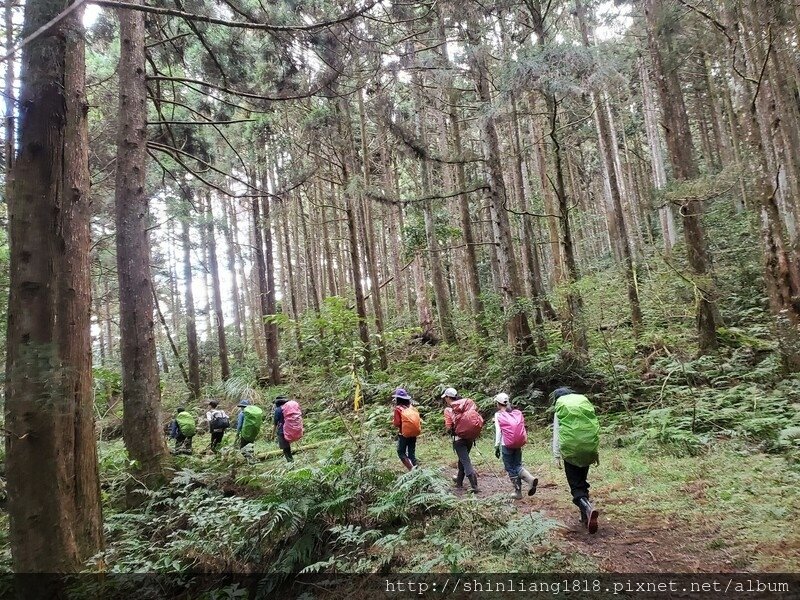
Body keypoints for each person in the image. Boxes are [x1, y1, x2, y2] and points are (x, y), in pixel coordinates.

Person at [552, 387, 600, 534]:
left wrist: (556, 455)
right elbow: (593, 427)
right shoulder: (582, 405)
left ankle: (587, 507)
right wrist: (595, 453)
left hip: (570, 451)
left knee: (575, 486)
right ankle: (585, 518)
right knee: (582, 481)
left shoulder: (560, 409)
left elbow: (557, 433)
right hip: (587, 449)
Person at [493, 393, 537, 499]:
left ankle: (518, 492)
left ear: (498, 404)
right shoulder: (515, 413)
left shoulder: (498, 415)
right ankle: (530, 479)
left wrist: (496, 446)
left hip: (506, 445)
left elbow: (499, 432)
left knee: (510, 468)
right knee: (517, 465)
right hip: (517, 444)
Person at [442, 387, 480, 493]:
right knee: (462, 460)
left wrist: (449, 431)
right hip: (469, 439)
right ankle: (459, 482)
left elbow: (449, 427)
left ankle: (474, 485)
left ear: (449, 397)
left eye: (446, 397)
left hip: (458, 439)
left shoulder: (449, 410)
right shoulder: (465, 407)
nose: (445, 399)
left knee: (465, 461)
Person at [391, 388, 419, 470]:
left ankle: (412, 471)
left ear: (398, 399)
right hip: (413, 433)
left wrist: (393, 422)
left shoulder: (398, 409)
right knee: (411, 453)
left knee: (401, 452)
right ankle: (417, 470)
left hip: (403, 434)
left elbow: (397, 423)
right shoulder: (411, 407)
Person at [274, 396, 294, 462]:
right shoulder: (287, 408)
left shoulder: (278, 410)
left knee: (285, 448)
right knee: (287, 446)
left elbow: (275, 423)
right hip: (289, 429)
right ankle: (291, 460)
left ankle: (290, 461)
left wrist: (272, 433)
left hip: (281, 431)